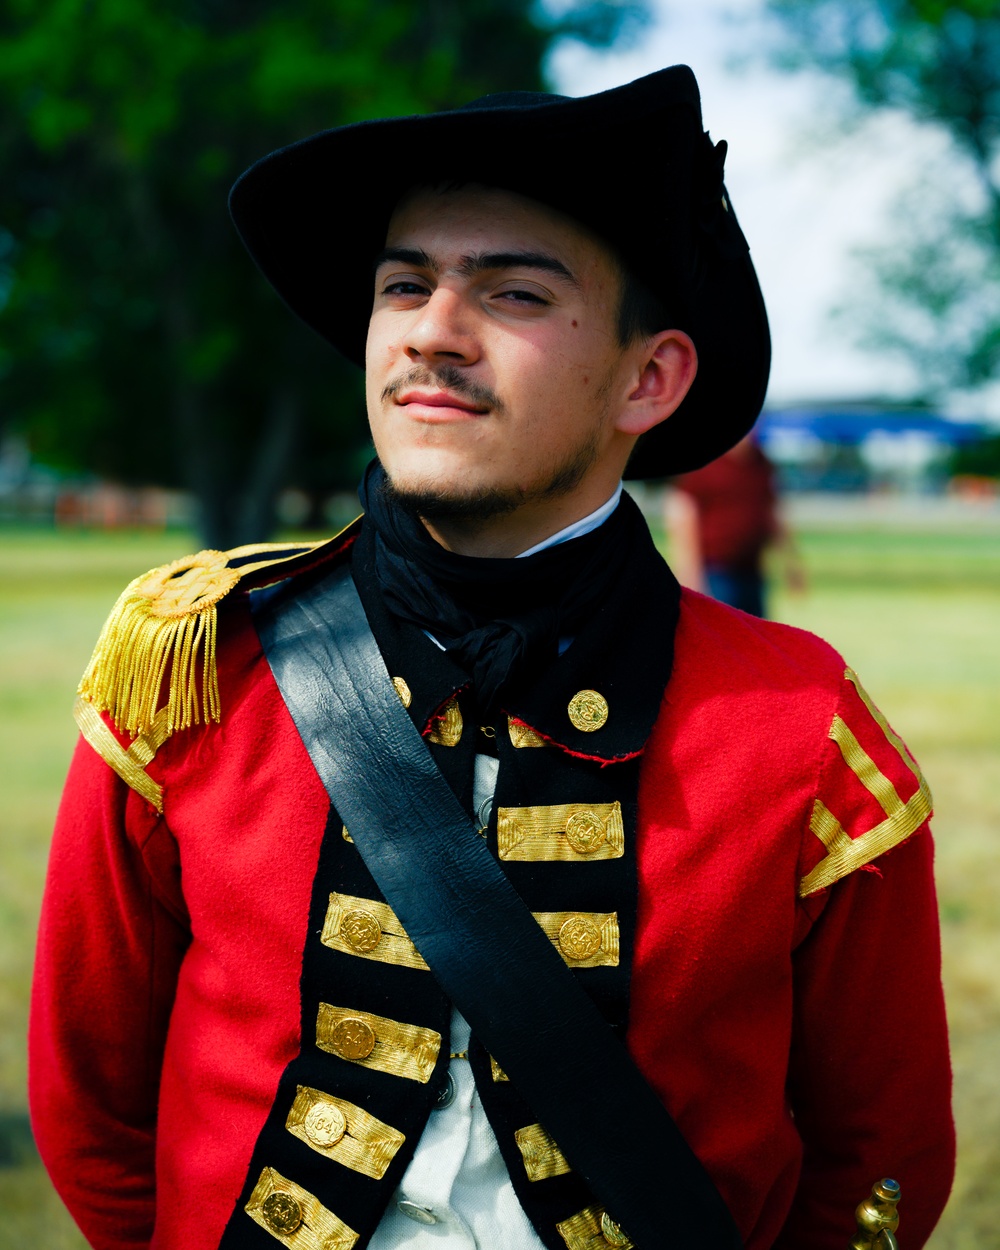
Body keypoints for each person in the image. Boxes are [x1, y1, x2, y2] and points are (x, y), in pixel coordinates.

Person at [29, 68, 953, 1250]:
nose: (430, 330)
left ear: (648, 378)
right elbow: (94, 1106)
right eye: (403, 283)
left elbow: (878, 1159)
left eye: (512, 292)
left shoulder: (801, 731)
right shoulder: (195, 676)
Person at [666, 434, 803, 618]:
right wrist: (689, 573)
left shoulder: (759, 461)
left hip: (752, 569)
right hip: (717, 571)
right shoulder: (706, 460)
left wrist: (790, 561)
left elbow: (771, 513)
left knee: (754, 636)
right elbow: (683, 517)